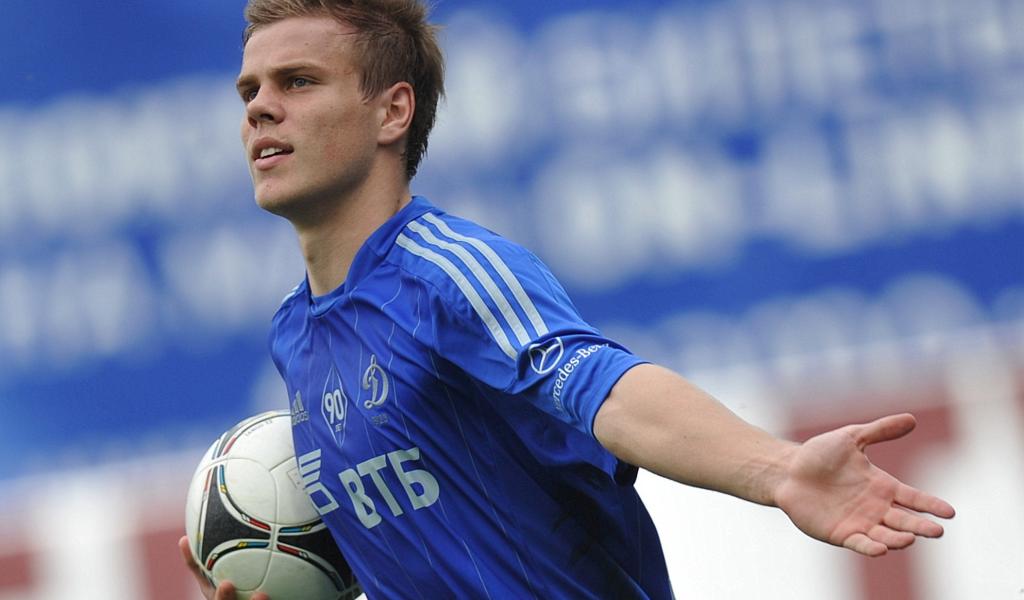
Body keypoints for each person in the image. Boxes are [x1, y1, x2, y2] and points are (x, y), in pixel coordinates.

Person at [179, 0, 955, 598]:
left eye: (298, 81)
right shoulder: (296, 336)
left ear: (393, 111)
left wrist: (778, 470)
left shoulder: (447, 275)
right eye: (250, 89)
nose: (259, 107)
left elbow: (605, 388)